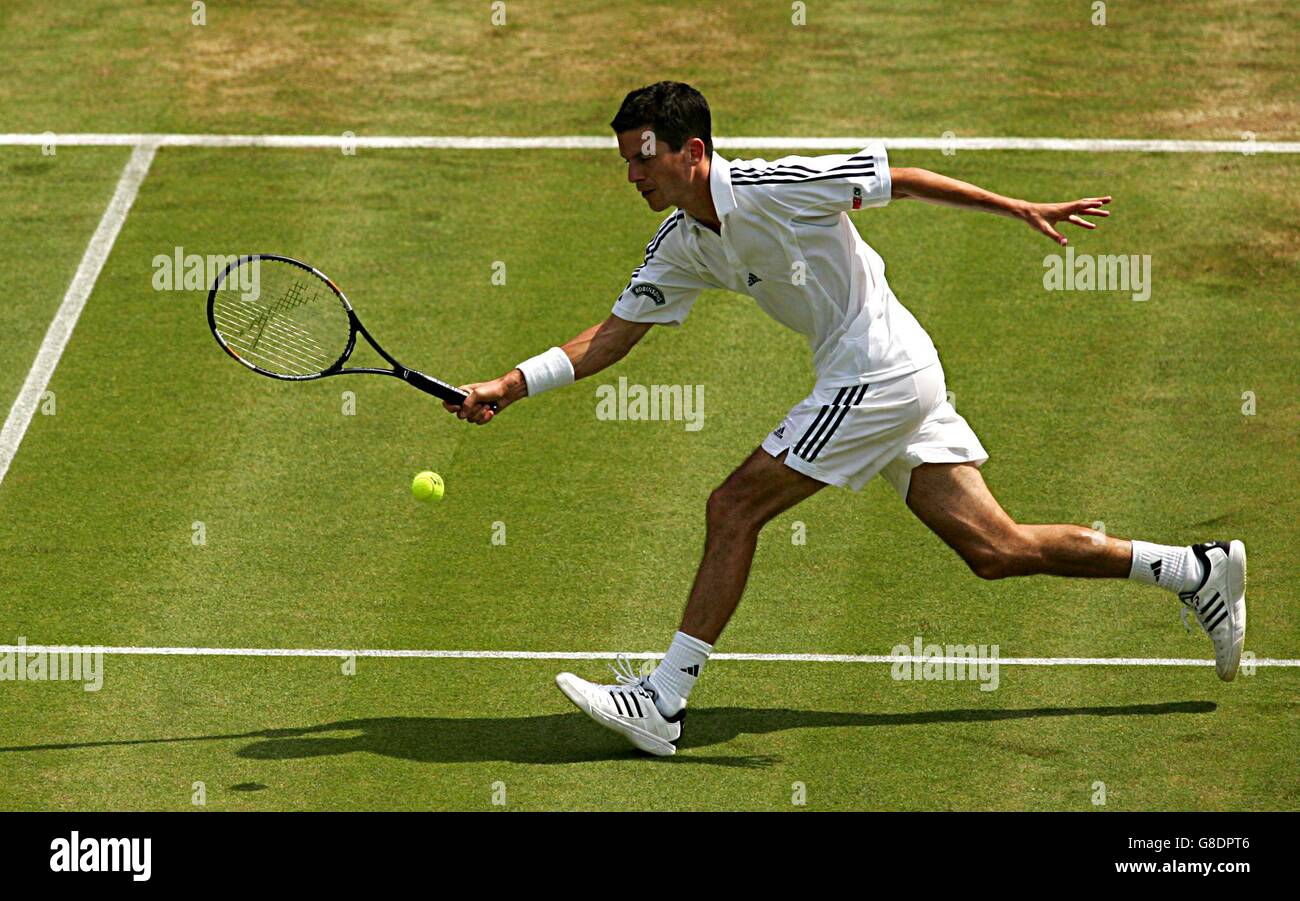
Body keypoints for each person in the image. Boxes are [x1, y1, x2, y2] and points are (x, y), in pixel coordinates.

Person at [442, 81, 1246, 757]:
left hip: (879, 373)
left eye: (642, 157)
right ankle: (1195, 569)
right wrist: (512, 384)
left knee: (733, 504)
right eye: (624, 161)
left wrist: (1019, 208)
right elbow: (614, 333)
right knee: (996, 550)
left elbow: (907, 177)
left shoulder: (774, 185)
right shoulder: (681, 241)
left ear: (692, 151)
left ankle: (664, 699)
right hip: (880, 372)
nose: (632, 175)